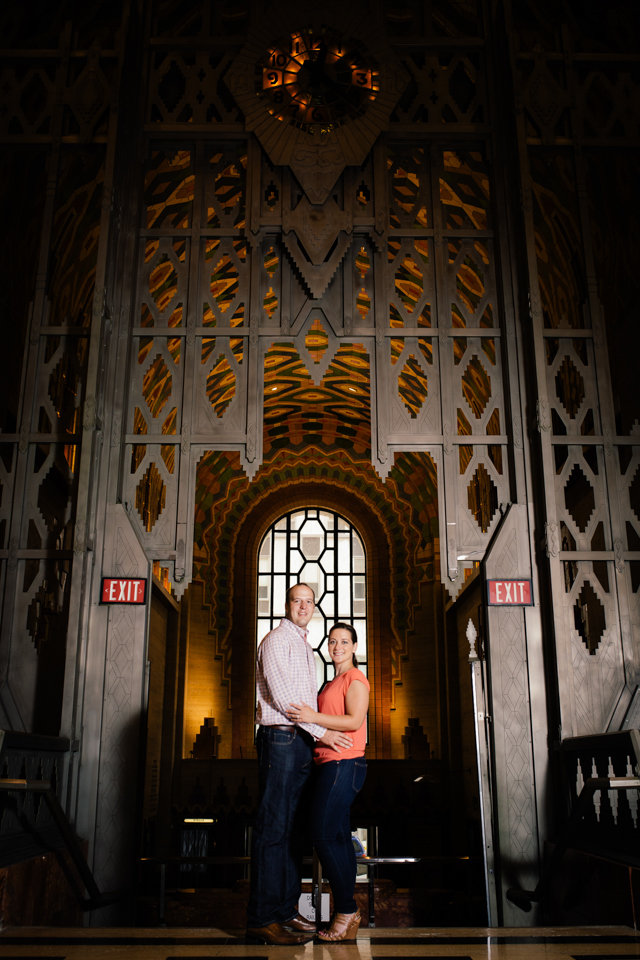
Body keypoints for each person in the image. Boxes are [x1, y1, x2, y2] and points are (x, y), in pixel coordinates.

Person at [246, 583, 354, 945]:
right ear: (288, 604)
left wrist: (315, 734)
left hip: (300, 741)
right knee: (272, 830)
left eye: (309, 602)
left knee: (292, 832)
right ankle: (262, 917)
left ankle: (286, 909)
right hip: (281, 738)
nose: (304, 606)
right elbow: (285, 699)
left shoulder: (304, 645)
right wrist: (322, 732)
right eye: (298, 601)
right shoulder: (277, 640)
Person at [287, 621, 369, 942]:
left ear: (354, 647)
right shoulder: (330, 683)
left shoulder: (355, 679)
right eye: (332, 641)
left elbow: (353, 721)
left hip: (344, 765)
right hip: (327, 765)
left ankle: (346, 909)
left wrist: (313, 716)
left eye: (344, 642)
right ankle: (348, 914)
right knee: (336, 838)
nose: (337, 647)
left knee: (321, 836)